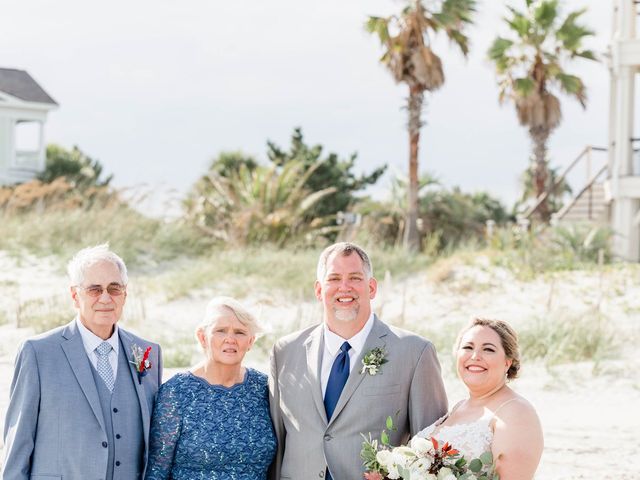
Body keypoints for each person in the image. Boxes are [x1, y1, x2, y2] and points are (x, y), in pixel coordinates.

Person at [269, 242, 448, 480]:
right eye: (334, 279)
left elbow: (430, 450)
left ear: (371, 287)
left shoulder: (414, 353)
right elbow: (278, 442)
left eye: (354, 278)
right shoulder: (285, 352)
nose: (344, 287)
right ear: (319, 290)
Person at [2, 244, 163, 480]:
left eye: (114, 288)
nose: (106, 298)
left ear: (125, 294)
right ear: (75, 296)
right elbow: (17, 446)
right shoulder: (37, 353)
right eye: (95, 289)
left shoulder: (148, 352)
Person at [145, 296, 276, 480]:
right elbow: (157, 469)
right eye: (221, 331)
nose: (230, 339)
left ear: (251, 341)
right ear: (202, 337)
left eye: (239, 332)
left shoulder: (264, 387)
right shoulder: (176, 392)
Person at [416, 318, 543, 479]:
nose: (475, 356)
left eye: (488, 349)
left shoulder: (516, 412)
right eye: (468, 347)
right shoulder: (459, 406)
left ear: (507, 362)